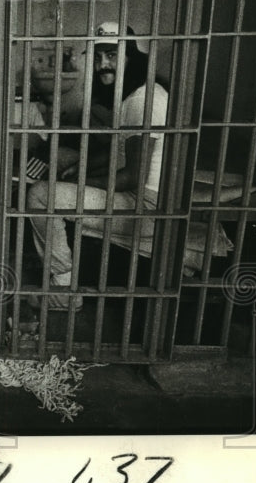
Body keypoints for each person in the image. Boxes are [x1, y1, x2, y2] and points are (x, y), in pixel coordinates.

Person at [26, 21, 168, 311]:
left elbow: (132, 177)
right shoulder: (134, 94)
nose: (103, 64)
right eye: (99, 56)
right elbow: (119, 153)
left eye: (113, 55)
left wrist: (79, 181)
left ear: (131, 56)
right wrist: (82, 169)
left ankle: (64, 288)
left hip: (144, 206)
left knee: (40, 195)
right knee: (62, 160)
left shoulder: (143, 101)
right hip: (139, 196)